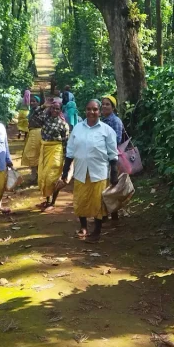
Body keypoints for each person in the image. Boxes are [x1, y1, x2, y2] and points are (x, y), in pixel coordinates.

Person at [61, 99, 119, 242]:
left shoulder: (107, 130)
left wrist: (114, 174)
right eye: (88, 109)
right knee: (80, 201)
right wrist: (65, 171)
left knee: (97, 203)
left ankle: (97, 231)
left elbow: (113, 154)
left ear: (99, 112)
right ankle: (84, 226)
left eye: (94, 109)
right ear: (85, 111)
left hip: (99, 172)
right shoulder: (77, 128)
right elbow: (70, 151)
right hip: (81, 172)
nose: (91, 112)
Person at [37, 98, 70, 210]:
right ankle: (47, 200)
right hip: (45, 149)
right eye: (53, 108)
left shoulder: (63, 124)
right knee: (44, 175)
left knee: (53, 176)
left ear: (60, 110)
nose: (55, 110)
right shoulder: (45, 119)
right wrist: (43, 106)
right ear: (50, 109)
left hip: (56, 150)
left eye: (57, 109)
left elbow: (66, 141)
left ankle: (53, 202)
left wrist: (66, 158)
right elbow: (34, 116)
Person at [99, 95, 126, 221]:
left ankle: (113, 215)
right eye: (103, 104)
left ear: (113, 107)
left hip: (111, 158)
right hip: (102, 157)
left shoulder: (114, 121)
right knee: (103, 185)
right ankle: (104, 213)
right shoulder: (103, 120)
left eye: (107, 104)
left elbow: (116, 140)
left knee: (111, 185)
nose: (104, 106)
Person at [19, 93, 44, 174]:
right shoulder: (31, 111)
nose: (32, 103)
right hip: (32, 134)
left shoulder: (40, 111)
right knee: (31, 154)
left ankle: (37, 174)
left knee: (36, 154)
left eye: (34, 101)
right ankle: (34, 173)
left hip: (38, 134)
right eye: (31, 101)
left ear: (38, 103)